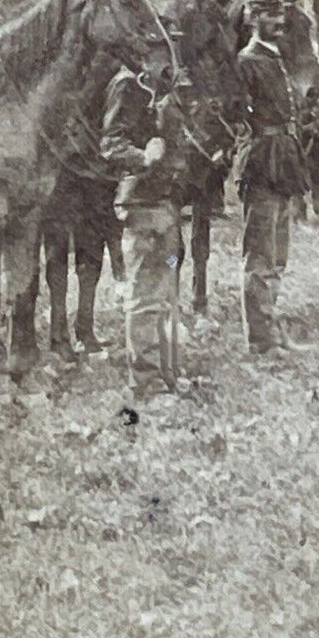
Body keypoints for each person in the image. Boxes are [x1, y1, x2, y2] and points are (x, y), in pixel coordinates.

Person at [100, 64, 186, 396]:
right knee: (145, 297)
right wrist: (143, 157)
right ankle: (146, 384)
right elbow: (110, 143)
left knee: (166, 295)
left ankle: (168, 374)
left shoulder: (164, 84)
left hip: (165, 202)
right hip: (142, 203)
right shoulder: (127, 84)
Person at [236, 0, 313, 359]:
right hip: (262, 162)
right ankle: (261, 339)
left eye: (281, 15)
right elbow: (236, 117)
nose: (278, 22)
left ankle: (271, 330)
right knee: (260, 255)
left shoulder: (277, 59)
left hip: (283, 160)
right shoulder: (247, 61)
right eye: (269, 16)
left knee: (278, 254)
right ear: (253, 20)